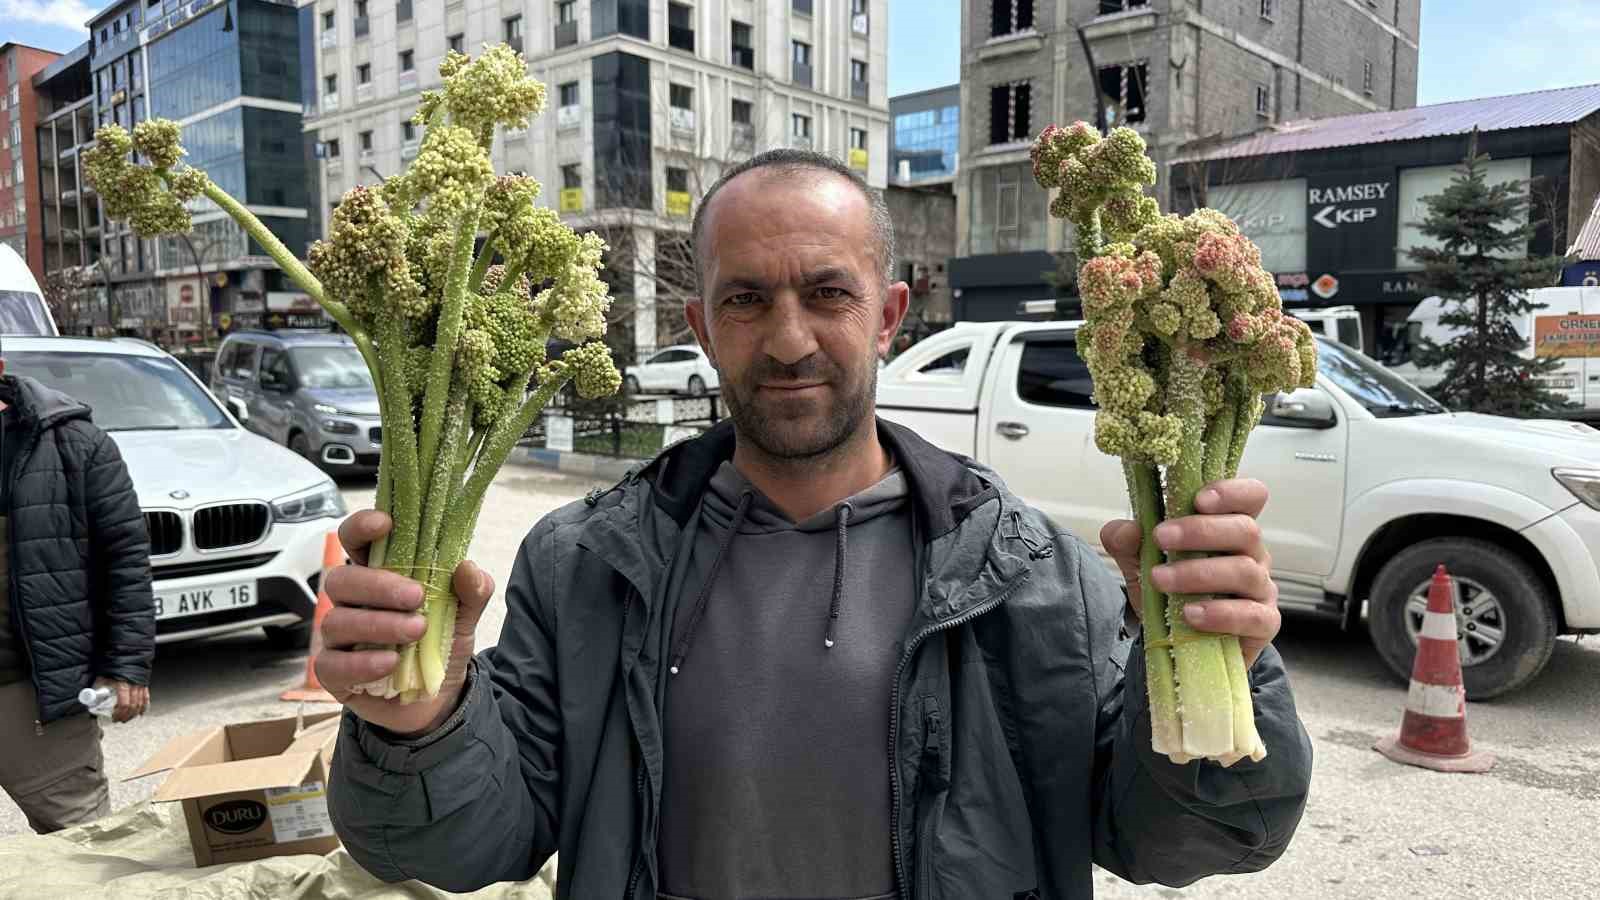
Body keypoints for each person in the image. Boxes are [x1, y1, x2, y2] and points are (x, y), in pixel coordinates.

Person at [319, 150, 1313, 899]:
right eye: (746, 300)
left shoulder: (1031, 574)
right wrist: (417, 725)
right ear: (702, 328)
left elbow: (1188, 838)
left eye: (827, 293)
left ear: (888, 315)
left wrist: (1231, 661)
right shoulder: (582, 568)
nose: (789, 340)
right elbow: (459, 849)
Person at [0, 358, 153, 833]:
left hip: (30, 693)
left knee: (84, 847)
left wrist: (125, 665)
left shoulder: (73, 443)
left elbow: (125, 559)